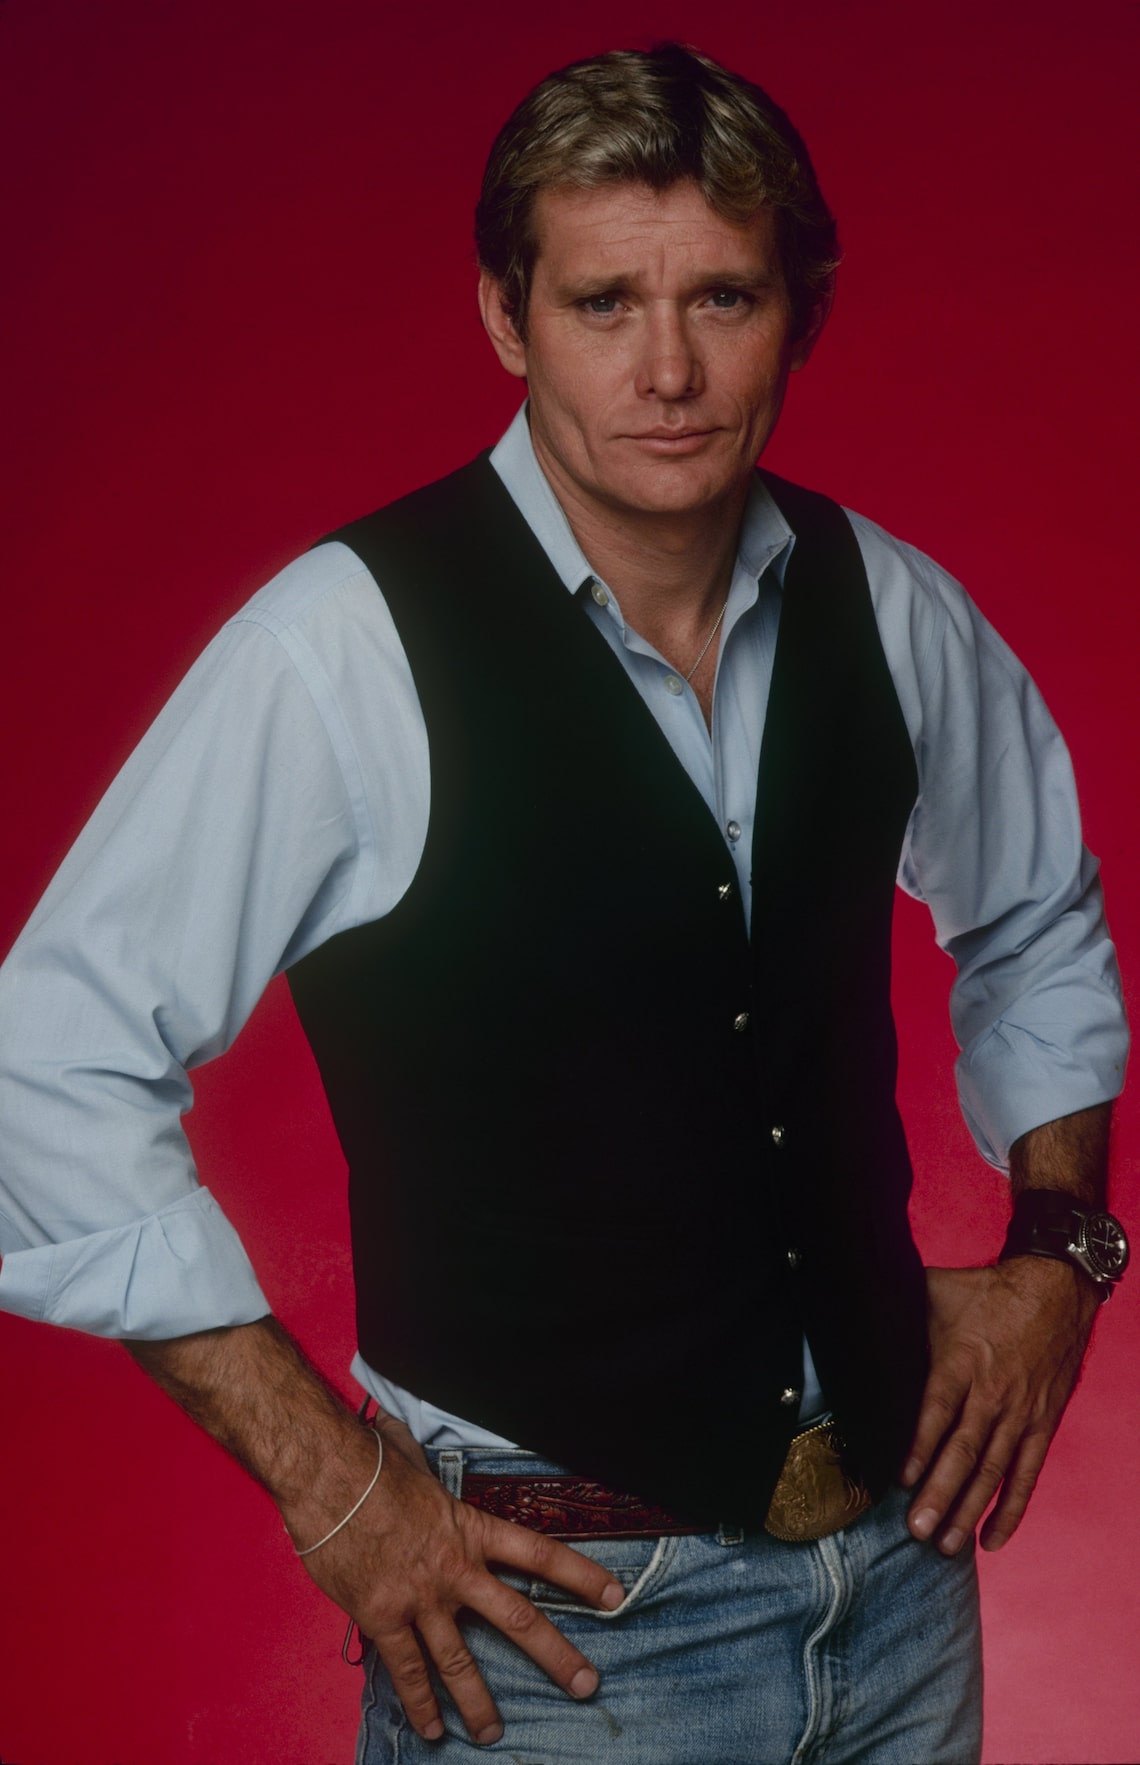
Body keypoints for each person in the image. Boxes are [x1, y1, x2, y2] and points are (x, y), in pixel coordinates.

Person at [0, 42, 1129, 1765]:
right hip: (561, 1640)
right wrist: (332, 1482)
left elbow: (1039, 912)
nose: (667, 370)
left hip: (903, 1591)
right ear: (506, 316)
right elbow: (43, 1063)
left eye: (723, 297)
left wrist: (1060, 1249)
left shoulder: (889, 608)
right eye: (605, 302)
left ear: (801, 314)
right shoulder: (341, 651)